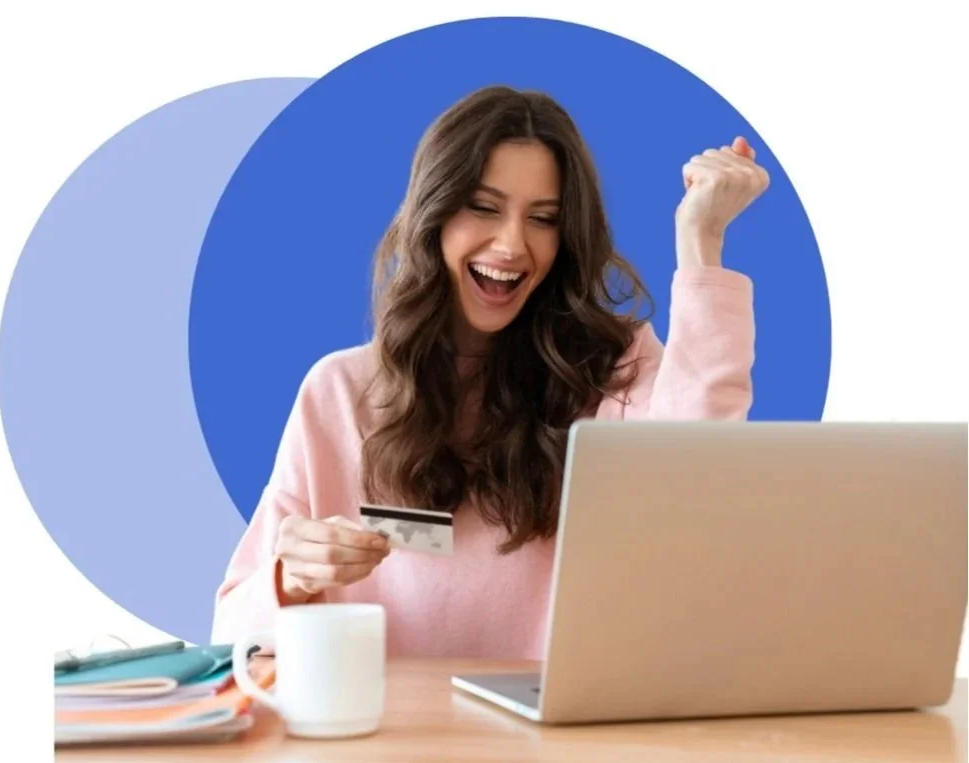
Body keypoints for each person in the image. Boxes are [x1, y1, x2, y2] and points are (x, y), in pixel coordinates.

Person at [211, 85, 768, 658]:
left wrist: (701, 241)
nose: (511, 245)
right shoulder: (340, 391)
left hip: (562, 737)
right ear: (435, 212)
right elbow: (231, 632)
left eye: (543, 218)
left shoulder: (612, 371)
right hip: (388, 738)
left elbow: (700, 470)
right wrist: (292, 579)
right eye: (483, 207)